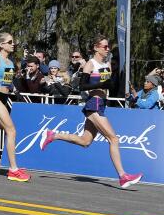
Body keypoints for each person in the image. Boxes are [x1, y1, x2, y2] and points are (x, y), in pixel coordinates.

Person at [41, 35, 143, 188]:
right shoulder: (90, 64)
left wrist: (110, 84)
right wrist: (103, 83)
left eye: (108, 47)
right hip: (93, 104)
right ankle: (123, 176)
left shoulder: (107, 65)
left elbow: (108, 86)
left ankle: (53, 135)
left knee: (85, 142)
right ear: (96, 48)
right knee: (114, 139)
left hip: (101, 104)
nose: (107, 49)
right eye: (104, 47)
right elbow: (82, 86)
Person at [0, 32, 30, 182]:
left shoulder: (10, 63)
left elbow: (7, 82)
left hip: (4, 98)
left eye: (13, 42)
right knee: (11, 131)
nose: (13, 44)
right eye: (10, 42)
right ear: (1, 45)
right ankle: (13, 170)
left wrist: (14, 89)